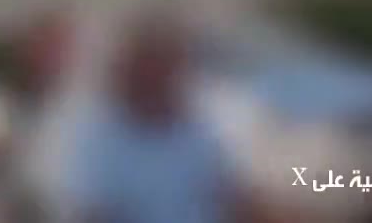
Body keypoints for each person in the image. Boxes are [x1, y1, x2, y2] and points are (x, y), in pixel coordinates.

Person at [55, 13, 282, 223]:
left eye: (172, 68)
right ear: (129, 73)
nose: (166, 79)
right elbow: (94, 214)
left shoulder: (193, 129)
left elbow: (228, 194)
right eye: (154, 68)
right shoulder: (97, 140)